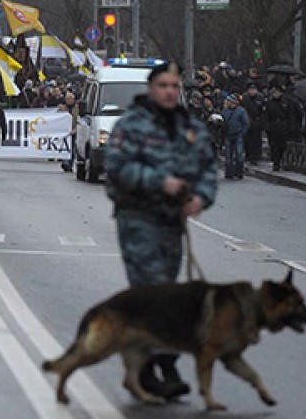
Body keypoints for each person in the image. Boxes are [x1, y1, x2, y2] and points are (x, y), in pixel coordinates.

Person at [104, 62, 217, 401]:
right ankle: (159, 370)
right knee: (153, 292)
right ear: (151, 89)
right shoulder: (132, 125)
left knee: (169, 294)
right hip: (138, 218)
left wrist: (200, 198)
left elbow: (207, 168)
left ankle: (152, 365)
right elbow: (117, 167)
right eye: (163, 85)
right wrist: (160, 183)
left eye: (175, 85)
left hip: (171, 224)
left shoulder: (189, 128)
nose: (170, 91)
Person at [222, 94, 250, 179]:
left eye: (229, 101)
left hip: (238, 135)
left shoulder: (241, 111)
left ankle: (239, 172)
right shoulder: (225, 111)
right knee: (228, 155)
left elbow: (246, 123)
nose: (227, 103)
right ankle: (229, 172)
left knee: (239, 154)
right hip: (228, 135)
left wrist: (242, 133)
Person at [265, 87, 290, 171]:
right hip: (273, 127)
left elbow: (288, 114)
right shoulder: (269, 103)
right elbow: (266, 115)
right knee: (274, 145)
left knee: (283, 145)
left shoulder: (285, 102)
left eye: (277, 92)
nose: (276, 94)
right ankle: (276, 163)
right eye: (274, 93)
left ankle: (280, 158)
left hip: (283, 127)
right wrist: (267, 126)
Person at [242, 82, 266, 165]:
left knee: (256, 140)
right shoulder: (244, 97)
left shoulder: (260, 97)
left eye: (254, 89)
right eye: (251, 89)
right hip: (247, 120)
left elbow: (263, 110)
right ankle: (248, 155)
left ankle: (255, 156)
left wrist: (261, 121)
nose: (252, 91)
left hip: (257, 121)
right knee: (247, 140)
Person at [58, 92, 78, 172]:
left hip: (74, 131)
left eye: (70, 99)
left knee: (72, 149)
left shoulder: (78, 108)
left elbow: (80, 121)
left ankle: (69, 163)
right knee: (64, 147)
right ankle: (65, 162)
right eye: (66, 99)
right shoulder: (62, 108)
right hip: (64, 132)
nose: (68, 100)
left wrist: (74, 130)